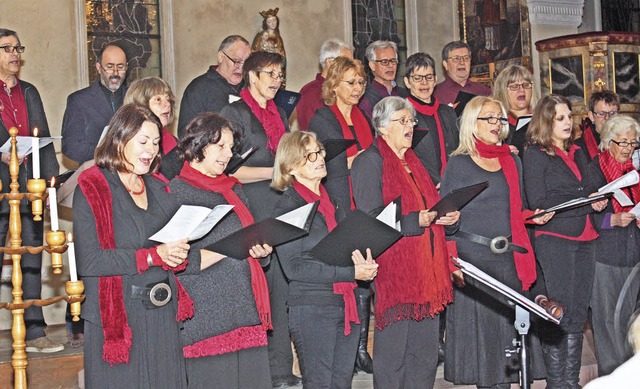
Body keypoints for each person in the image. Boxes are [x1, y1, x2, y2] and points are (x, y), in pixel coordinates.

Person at [73, 104, 192, 388]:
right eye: (142, 141)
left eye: (154, 142)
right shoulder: (93, 186)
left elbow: (174, 247)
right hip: (119, 316)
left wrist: (178, 252)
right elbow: (89, 261)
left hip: (163, 313)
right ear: (119, 139)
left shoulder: (159, 186)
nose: (150, 150)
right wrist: (152, 257)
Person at [440, 96, 550, 388]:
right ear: (471, 123)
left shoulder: (511, 160)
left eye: (500, 119)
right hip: (473, 261)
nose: (497, 124)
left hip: (509, 259)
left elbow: (516, 208)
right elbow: (444, 217)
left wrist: (532, 217)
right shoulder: (458, 164)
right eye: (489, 118)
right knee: (485, 354)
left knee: (508, 346)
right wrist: (452, 261)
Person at [351, 96, 460, 389]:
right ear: (382, 127)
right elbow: (369, 221)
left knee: (424, 357)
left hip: (428, 272)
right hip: (395, 272)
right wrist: (416, 221)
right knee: (395, 356)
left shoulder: (414, 161)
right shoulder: (369, 161)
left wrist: (448, 219)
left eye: (411, 121)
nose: (410, 126)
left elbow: (432, 206)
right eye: (402, 121)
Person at [169, 112, 273, 389]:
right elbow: (175, 261)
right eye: (221, 146)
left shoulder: (233, 189)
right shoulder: (176, 192)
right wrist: (229, 249)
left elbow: (249, 242)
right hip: (206, 318)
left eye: (231, 147)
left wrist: (260, 252)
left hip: (244, 307)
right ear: (198, 145)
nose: (229, 154)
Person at [272, 131, 379, 388]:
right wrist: (351, 274)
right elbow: (294, 268)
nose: (319, 158)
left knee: (341, 384)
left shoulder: (333, 202)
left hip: (345, 303)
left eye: (319, 151)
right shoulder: (288, 208)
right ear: (291, 167)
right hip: (312, 307)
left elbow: (344, 248)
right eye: (310, 155)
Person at [219, 51, 297, 388]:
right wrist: (277, 171)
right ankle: (260, 372)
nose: (277, 80)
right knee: (258, 292)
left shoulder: (278, 111)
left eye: (280, 74)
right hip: (251, 208)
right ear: (252, 76)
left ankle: (280, 369)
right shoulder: (233, 112)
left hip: (278, 205)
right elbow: (229, 170)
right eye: (270, 73)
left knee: (280, 290)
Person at [523, 94, 608, 389]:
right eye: (560, 118)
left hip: (586, 235)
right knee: (559, 312)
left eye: (569, 117)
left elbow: (590, 185)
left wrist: (598, 197)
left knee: (577, 313)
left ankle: (569, 383)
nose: (567, 122)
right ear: (545, 122)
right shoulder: (535, 154)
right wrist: (587, 203)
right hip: (556, 238)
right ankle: (557, 383)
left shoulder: (577, 151)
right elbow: (541, 201)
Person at [308, 56, 374, 373]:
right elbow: (331, 166)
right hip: (340, 201)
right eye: (351, 82)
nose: (357, 88)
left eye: (361, 82)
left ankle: (362, 347)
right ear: (334, 85)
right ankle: (352, 347)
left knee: (367, 273)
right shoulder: (323, 119)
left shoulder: (363, 117)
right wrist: (368, 158)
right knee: (351, 273)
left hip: (366, 200)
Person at [0, 28, 62, 353]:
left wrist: (50, 186)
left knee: (33, 257)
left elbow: (44, 139)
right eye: (7, 48)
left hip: (30, 185)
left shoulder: (29, 91)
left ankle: (36, 334)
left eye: (18, 48)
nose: (15, 54)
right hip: (0, 189)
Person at [584, 115, 640, 376]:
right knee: (607, 320)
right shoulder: (593, 170)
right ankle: (610, 376)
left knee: (631, 321)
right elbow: (583, 216)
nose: (628, 148)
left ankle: (629, 374)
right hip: (605, 256)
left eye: (633, 143)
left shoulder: (636, 172)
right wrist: (611, 219)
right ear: (607, 142)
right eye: (623, 142)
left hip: (633, 255)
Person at [62, 44, 128, 166]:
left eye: (120, 67)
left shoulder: (135, 98)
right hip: (94, 173)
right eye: (109, 67)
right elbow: (71, 147)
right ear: (99, 67)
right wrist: (110, 154)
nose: (115, 72)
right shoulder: (78, 100)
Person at [178, 35, 251, 137]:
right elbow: (186, 134)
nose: (241, 68)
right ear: (221, 56)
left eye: (246, 63)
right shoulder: (198, 88)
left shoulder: (251, 87)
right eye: (237, 61)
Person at [403, 52, 459, 184]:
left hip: (452, 183)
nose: (424, 83)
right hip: (419, 186)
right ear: (407, 82)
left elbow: (460, 148)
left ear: (435, 80)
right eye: (417, 78)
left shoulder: (448, 112)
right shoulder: (401, 116)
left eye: (429, 77)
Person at [124, 76, 181, 180]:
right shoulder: (128, 142)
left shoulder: (173, 141)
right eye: (158, 99)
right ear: (141, 105)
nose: (167, 104)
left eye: (168, 99)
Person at [296, 38, 354, 131]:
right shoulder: (311, 92)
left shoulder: (346, 88)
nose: (351, 68)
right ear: (329, 62)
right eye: (347, 63)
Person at [492, 64, 537, 156]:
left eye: (526, 85)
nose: (521, 90)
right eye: (514, 86)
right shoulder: (497, 124)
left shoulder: (542, 119)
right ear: (502, 91)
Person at [358, 40, 408, 121]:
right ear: (372, 65)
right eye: (384, 62)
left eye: (393, 61)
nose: (390, 65)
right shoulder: (365, 99)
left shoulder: (405, 95)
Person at [433, 41, 491, 106]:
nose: (462, 62)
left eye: (466, 58)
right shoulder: (435, 94)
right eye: (456, 58)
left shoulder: (484, 91)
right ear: (445, 64)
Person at [575, 90, 620, 162]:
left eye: (612, 113)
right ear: (591, 116)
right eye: (601, 114)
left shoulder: (628, 143)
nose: (607, 118)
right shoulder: (578, 147)